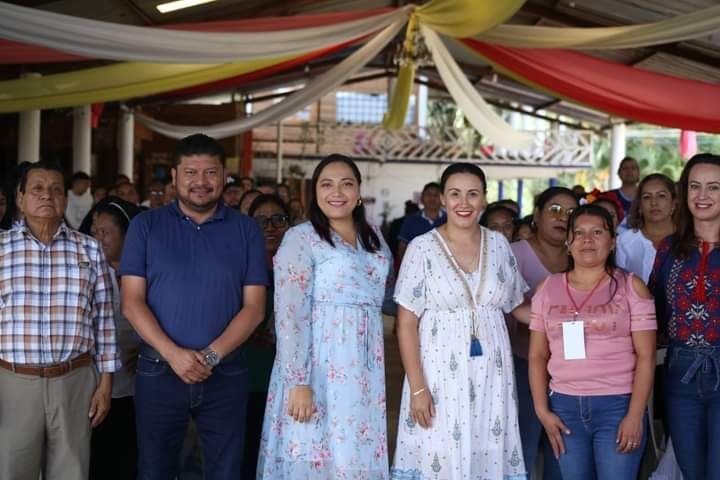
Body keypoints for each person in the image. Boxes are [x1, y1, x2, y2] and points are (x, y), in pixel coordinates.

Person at [120, 133, 268, 479]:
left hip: (226, 372)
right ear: (174, 177)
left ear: (224, 176)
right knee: (155, 470)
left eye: (210, 173)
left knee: (224, 470)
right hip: (158, 370)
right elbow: (131, 301)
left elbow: (255, 308)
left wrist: (211, 356)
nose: (201, 182)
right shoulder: (146, 226)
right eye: (191, 173)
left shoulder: (245, 230)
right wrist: (174, 354)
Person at [258, 154, 393, 479]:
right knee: (313, 451)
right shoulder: (301, 237)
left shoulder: (373, 236)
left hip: (363, 367)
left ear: (359, 192)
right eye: (327, 184)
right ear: (314, 192)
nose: (337, 192)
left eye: (347, 184)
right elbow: (291, 314)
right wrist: (298, 381)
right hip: (317, 366)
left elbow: (380, 300)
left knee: (354, 452)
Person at [391, 163, 528, 480]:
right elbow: (406, 324)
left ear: (484, 199)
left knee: (488, 453)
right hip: (438, 376)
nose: (463, 203)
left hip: (493, 376)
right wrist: (417, 389)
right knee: (440, 455)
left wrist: (567, 316)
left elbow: (517, 305)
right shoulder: (421, 248)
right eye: (455, 194)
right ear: (441, 199)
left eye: (472, 194)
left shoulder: (498, 245)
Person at [0, 161, 119, 479]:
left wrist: (105, 384)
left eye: (55, 189)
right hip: (13, 381)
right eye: (37, 188)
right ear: (20, 198)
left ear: (65, 200)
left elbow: (104, 320)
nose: (47, 195)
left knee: (71, 470)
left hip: (74, 380)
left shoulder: (89, 250)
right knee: (12, 469)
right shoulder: (1, 250)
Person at [528, 204, 656, 480]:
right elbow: (538, 356)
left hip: (617, 406)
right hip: (564, 408)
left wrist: (635, 415)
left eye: (597, 232)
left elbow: (646, 357)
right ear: (569, 243)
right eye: (580, 233)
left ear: (611, 242)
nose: (588, 240)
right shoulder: (547, 289)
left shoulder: (631, 287)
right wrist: (542, 411)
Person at [649, 153, 720, 479]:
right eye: (695, 186)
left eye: (714, 187)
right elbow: (653, 313)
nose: (702, 196)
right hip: (680, 374)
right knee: (691, 471)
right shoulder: (669, 248)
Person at [509, 186, 578, 480]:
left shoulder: (581, 257)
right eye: (555, 210)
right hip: (522, 364)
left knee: (562, 450)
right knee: (522, 446)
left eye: (571, 213)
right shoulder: (514, 254)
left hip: (568, 371)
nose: (562, 217)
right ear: (537, 215)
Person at [89, 197, 143, 480]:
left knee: (132, 454)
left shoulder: (145, 271)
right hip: (98, 380)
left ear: (126, 235)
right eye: (94, 231)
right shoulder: (87, 271)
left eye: (106, 231)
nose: (98, 238)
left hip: (138, 378)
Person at [243, 194, 291, 478]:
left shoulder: (303, 267)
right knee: (247, 452)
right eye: (261, 220)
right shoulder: (238, 267)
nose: (270, 227)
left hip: (288, 382)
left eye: (278, 220)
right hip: (246, 377)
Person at [616, 173, 676, 283]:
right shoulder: (624, 241)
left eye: (661, 196)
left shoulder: (689, 239)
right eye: (647, 197)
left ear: (674, 203)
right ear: (639, 206)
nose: (654, 202)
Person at [397, 182, 445, 263]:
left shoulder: (449, 220)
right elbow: (402, 248)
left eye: (436, 195)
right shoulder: (411, 220)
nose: (432, 198)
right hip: (417, 269)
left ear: (442, 199)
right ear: (422, 198)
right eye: (429, 194)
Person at [603, 156, 640, 221]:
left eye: (633, 168)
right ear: (619, 173)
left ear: (638, 173)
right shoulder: (609, 196)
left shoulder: (646, 196)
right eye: (625, 168)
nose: (629, 171)